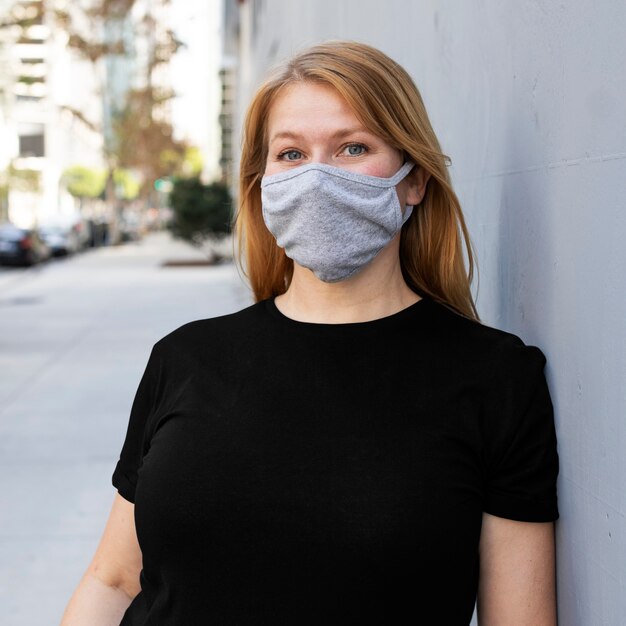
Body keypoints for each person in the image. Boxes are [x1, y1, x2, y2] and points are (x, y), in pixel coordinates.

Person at [61, 41, 559, 625]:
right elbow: (113, 580)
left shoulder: (495, 378)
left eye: (353, 147)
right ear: (264, 182)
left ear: (414, 180)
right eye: (291, 154)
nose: (317, 177)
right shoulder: (186, 357)